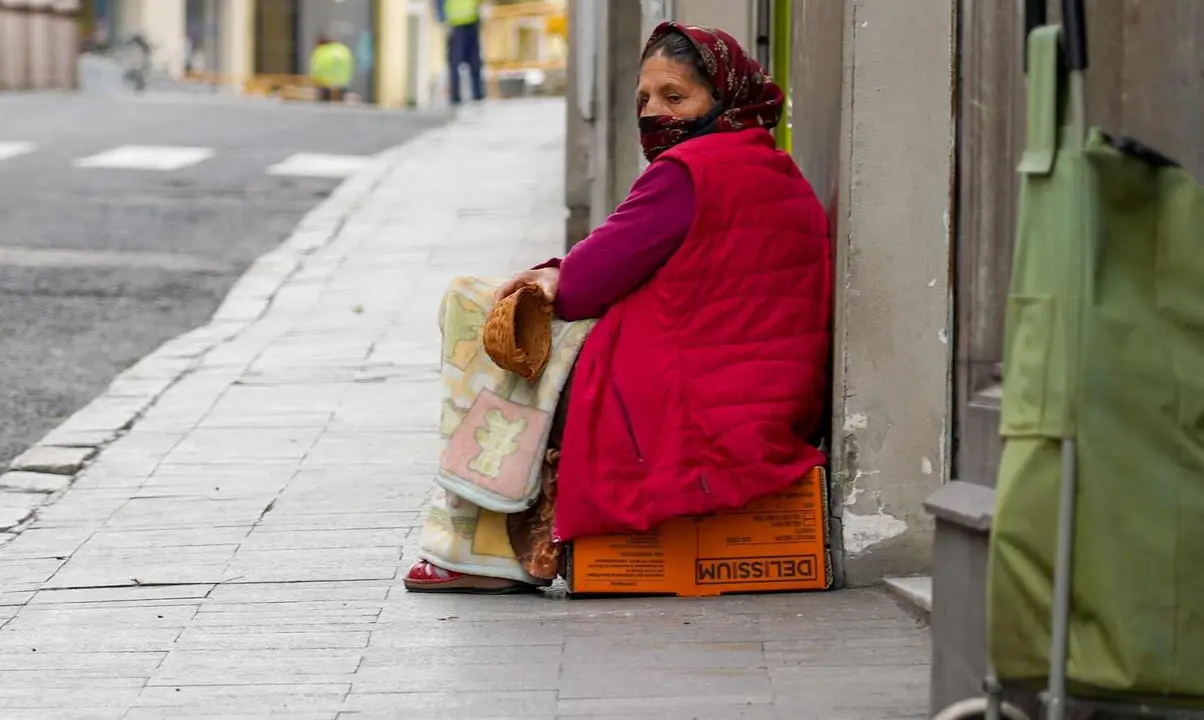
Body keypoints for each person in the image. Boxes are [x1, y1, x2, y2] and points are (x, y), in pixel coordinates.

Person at [406, 22, 832, 593]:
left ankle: (481, 548)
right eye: (645, 99)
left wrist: (548, 276)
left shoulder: (688, 173)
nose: (654, 112)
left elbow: (583, 286)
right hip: (769, 413)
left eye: (674, 97)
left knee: (481, 306)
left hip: (688, 416)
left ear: (724, 97)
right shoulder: (778, 172)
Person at [436, 0, 485, 105]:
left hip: (472, 21)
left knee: (474, 61)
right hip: (455, 24)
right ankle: (455, 96)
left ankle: (477, 94)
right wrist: (442, 19)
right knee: (455, 61)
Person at [309, 34, 355, 103]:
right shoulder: (343, 49)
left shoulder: (321, 51)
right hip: (342, 83)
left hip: (325, 84)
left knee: (325, 106)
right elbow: (350, 65)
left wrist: (314, 82)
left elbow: (317, 69)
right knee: (340, 105)